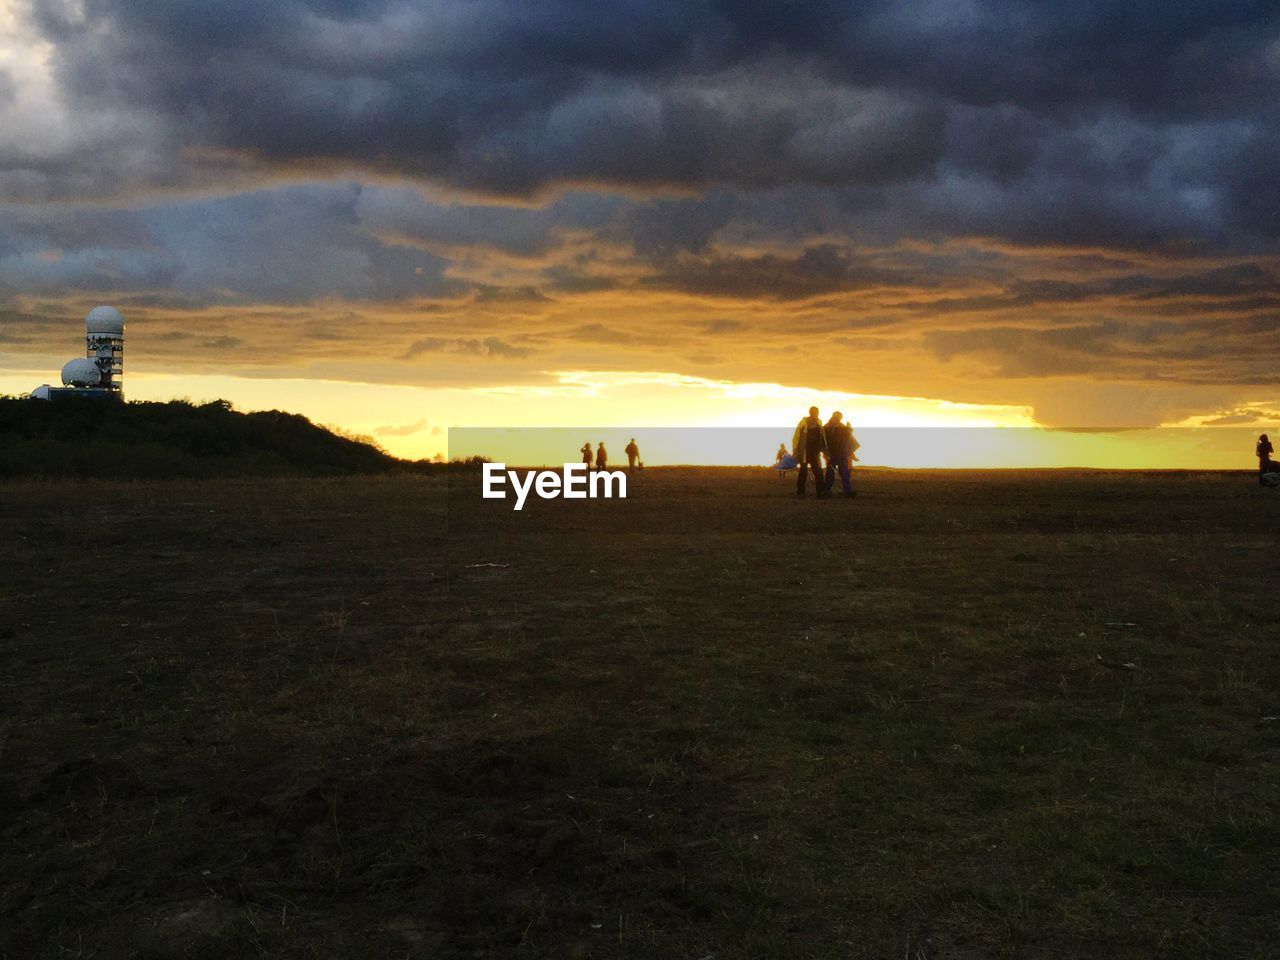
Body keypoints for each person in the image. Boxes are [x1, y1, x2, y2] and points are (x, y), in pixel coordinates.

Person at [791, 406, 829, 497]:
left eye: (817, 412)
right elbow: (796, 437)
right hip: (804, 451)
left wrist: (824, 448)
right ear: (810, 412)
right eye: (815, 412)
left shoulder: (819, 422)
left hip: (815, 451)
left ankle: (820, 492)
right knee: (803, 472)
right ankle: (801, 492)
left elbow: (822, 436)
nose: (816, 414)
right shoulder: (803, 422)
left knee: (818, 471)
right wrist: (795, 450)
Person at [823, 411, 857, 498]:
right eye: (837, 417)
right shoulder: (827, 427)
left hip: (840, 454)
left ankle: (846, 491)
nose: (838, 419)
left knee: (843, 473)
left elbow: (847, 439)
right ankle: (828, 490)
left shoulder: (832, 427)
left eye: (839, 417)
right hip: (833, 454)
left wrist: (848, 429)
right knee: (832, 473)